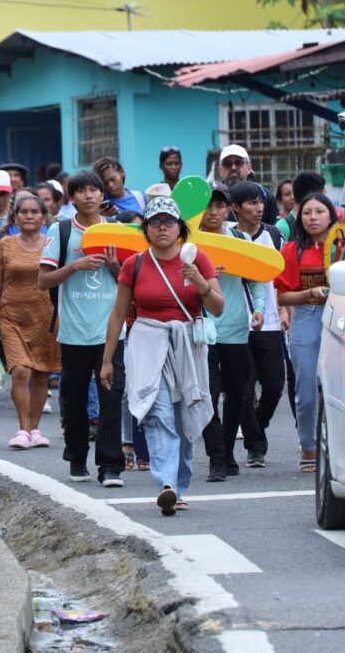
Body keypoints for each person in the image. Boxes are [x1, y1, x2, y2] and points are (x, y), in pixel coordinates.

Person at [100, 196, 221, 515]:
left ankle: (179, 485)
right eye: (155, 222)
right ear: (146, 229)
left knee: (183, 418)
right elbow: (117, 314)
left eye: (169, 222)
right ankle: (166, 483)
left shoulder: (198, 258)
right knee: (157, 412)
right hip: (147, 343)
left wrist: (199, 282)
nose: (162, 227)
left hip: (186, 344)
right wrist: (107, 360)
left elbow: (218, 307)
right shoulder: (134, 264)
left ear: (180, 227)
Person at [38, 170, 126, 487]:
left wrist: (116, 268)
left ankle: (110, 466)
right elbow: (42, 280)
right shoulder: (60, 231)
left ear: (103, 196)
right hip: (73, 332)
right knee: (74, 401)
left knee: (111, 399)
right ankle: (77, 457)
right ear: (71, 197)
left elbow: (132, 282)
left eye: (95, 190)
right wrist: (75, 266)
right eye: (82, 191)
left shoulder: (118, 231)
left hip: (111, 333)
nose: (89, 195)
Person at [197, 184, 266, 483]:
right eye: (208, 206)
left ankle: (227, 451)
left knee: (237, 394)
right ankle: (216, 457)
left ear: (229, 209)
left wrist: (259, 309)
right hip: (200, 330)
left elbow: (256, 280)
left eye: (219, 206)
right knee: (208, 396)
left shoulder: (241, 238)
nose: (213, 212)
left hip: (236, 329)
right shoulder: (189, 242)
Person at [0, 193, 59, 449]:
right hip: (12, 315)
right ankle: (23, 429)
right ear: (16, 217)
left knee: (40, 372)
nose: (29, 216)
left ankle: (35, 429)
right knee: (21, 370)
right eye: (23, 212)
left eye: (34, 212)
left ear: (43, 217)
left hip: (46, 315)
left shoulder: (53, 243)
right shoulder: (5, 245)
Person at [274, 192, 338, 473]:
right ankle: (308, 447)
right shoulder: (292, 250)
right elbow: (283, 296)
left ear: (331, 216)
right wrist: (310, 293)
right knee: (306, 388)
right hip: (307, 317)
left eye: (319, 211)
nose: (313, 217)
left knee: (339, 387)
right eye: (307, 212)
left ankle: (338, 447)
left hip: (341, 318)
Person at [230, 182, 289, 468]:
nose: (259, 208)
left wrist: (284, 308)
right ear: (236, 207)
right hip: (235, 325)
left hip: (270, 324)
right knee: (241, 387)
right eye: (251, 203)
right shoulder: (229, 237)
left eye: (261, 202)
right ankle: (255, 445)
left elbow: (284, 279)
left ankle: (257, 428)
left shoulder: (276, 237)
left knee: (275, 385)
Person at [217, 144, 279, 222]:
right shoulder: (214, 195)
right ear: (220, 170)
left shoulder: (264, 195)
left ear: (249, 167)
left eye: (239, 163)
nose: (233, 167)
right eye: (227, 164)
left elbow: (274, 228)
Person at [275, 171, 325, 242]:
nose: (325, 202)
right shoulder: (283, 227)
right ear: (312, 196)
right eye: (323, 196)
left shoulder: (321, 224)